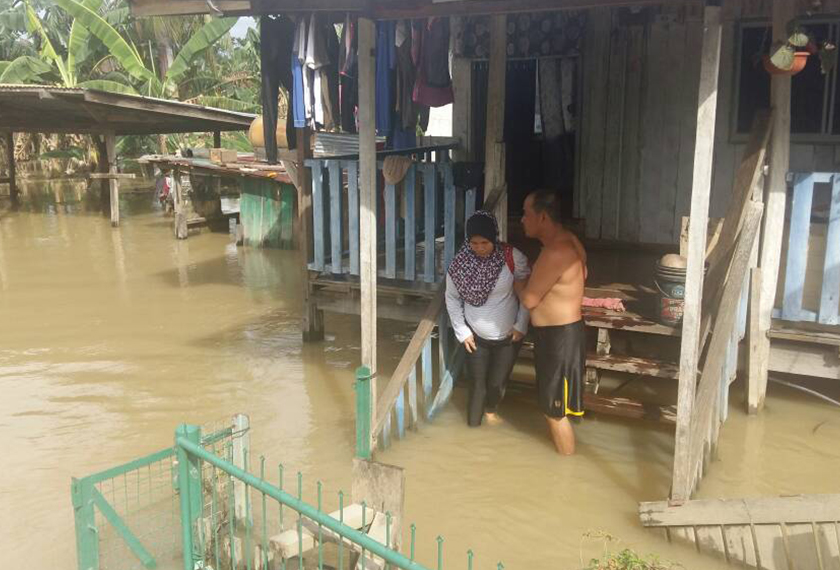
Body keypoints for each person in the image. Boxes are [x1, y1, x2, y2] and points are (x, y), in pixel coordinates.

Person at [515, 189, 587, 455]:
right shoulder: (570, 241)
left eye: (526, 213)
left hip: (559, 339)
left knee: (554, 412)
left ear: (542, 217)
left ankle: (566, 471)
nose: (522, 219)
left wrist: (516, 281)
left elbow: (529, 300)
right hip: (564, 335)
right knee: (555, 408)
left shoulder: (556, 252)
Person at [445, 211, 531, 427]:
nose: (480, 248)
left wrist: (521, 324)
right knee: (477, 386)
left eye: (485, 242)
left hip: (508, 337)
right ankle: (472, 429)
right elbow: (452, 298)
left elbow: (527, 294)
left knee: (496, 384)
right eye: (474, 243)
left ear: (494, 238)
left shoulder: (513, 258)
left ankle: (491, 410)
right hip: (475, 337)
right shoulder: (460, 264)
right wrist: (462, 331)